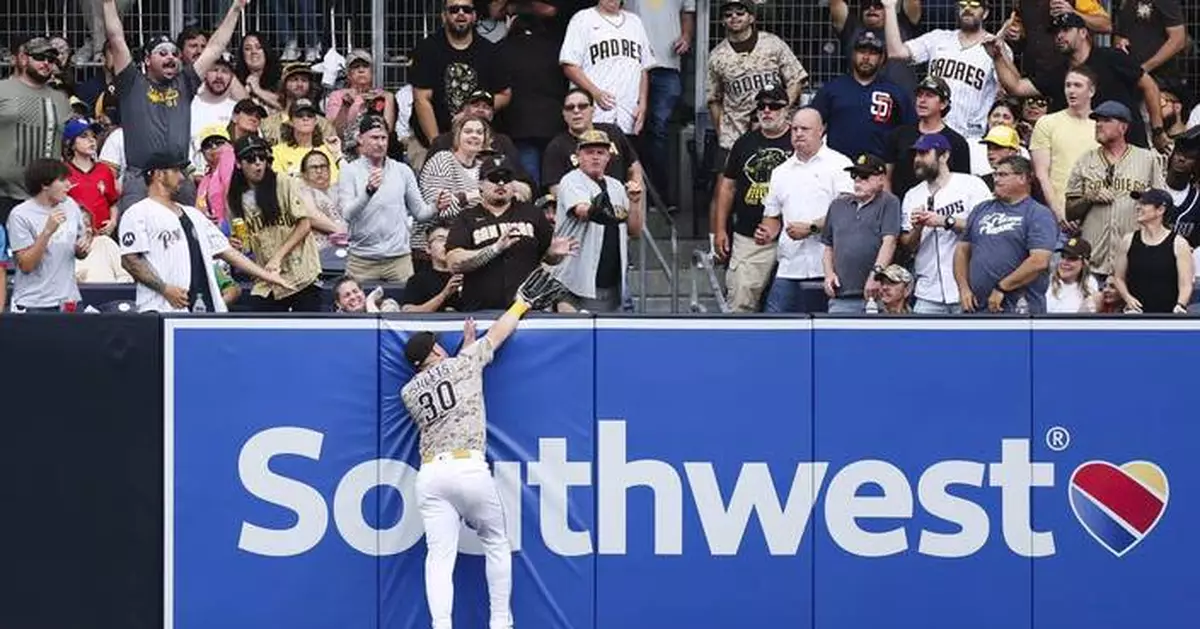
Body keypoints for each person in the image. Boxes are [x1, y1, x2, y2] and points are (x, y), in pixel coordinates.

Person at [399, 268, 568, 629]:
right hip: (468, 468)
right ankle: (499, 622)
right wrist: (521, 305)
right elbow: (499, 333)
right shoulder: (463, 363)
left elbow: (439, 380)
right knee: (495, 541)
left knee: (439, 558)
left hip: (431, 475)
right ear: (435, 350)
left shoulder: (408, 392)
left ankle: (441, 625)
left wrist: (461, 352)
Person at [103, 0, 248, 211]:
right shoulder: (131, 82)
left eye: (173, 53)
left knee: (189, 238)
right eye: (162, 54)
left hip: (179, 177)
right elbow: (116, 38)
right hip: (140, 178)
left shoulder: (184, 83)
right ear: (146, 60)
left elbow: (215, 47)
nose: (170, 58)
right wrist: (108, 3)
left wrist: (235, 9)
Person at [118, 152, 290, 313]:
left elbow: (226, 251)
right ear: (158, 174)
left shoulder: (192, 214)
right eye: (176, 171)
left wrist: (267, 276)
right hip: (160, 308)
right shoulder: (137, 213)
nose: (182, 177)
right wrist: (164, 289)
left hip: (204, 307)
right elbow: (130, 260)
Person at [984, 12, 1167, 152]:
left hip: (1129, 147)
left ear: (1083, 32)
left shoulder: (1112, 57)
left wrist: (1158, 131)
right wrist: (997, 56)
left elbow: (1149, 86)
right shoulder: (1058, 72)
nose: (1059, 36)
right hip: (1087, 155)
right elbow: (1017, 87)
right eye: (1056, 32)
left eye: (1066, 30)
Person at [446, 155, 575, 311]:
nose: (501, 183)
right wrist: (494, 249)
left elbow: (548, 258)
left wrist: (555, 253)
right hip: (480, 311)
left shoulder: (532, 213)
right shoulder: (466, 217)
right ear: (480, 184)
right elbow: (454, 262)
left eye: (506, 178)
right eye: (494, 178)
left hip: (526, 310)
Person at [759, 108, 855, 313]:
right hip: (789, 267)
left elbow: (847, 212)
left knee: (826, 332)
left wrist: (812, 228)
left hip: (828, 268)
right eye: (794, 129)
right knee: (775, 328)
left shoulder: (840, 165)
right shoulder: (779, 172)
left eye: (805, 129)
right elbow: (772, 218)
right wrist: (766, 233)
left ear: (821, 130)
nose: (798, 134)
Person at [711, 85, 793, 312]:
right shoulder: (744, 142)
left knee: (788, 307)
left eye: (774, 106)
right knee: (739, 301)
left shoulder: (798, 142)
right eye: (762, 106)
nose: (767, 111)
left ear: (787, 109)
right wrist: (720, 229)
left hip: (794, 237)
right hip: (749, 236)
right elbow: (727, 188)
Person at [1065, 101, 1166, 279]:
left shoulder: (1147, 159)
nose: (1098, 125)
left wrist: (1147, 199)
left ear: (1123, 127)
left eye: (1106, 120)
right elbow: (1070, 213)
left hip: (1133, 261)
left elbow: (1163, 204)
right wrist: (1089, 197)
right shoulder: (1085, 161)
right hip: (1093, 262)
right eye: (1097, 121)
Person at [882, 0, 1009, 140]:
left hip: (970, 138)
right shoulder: (938, 38)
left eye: (974, 4)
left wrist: (1000, 53)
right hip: (930, 133)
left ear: (985, 13)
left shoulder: (996, 47)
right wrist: (889, 7)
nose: (967, 8)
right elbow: (896, 52)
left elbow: (1006, 91)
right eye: (962, 4)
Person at [338, 115, 442, 282]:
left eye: (383, 138)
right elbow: (347, 214)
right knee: (357, 306)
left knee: (403, 306)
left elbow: (420, 214)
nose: (380, 143)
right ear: (360, 139)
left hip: (399, 259)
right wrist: (368, 192)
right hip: (362, 260)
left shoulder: (403, 171)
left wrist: (436, 206)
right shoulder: (349, 171)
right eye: (374, 138)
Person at [227, 135, 323, 311]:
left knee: (307, 334)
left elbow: (305, 224)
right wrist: (235, 244)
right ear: (239, 164)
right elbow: (245, 246)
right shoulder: (234, 198)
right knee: (261, 332)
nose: (258, 163)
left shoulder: (283, 182)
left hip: (300, 273)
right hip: (268, 279)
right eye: (250, 158)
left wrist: (278, 256)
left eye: (262, 157)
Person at [705, 0, 807, 165]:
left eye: (740, 12)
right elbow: (713, 99)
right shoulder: (717, 56)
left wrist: (779, 111)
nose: (734, 17)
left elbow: (796, 79)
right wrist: (722, 132)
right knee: (725, 186)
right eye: (728, 14)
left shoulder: (772, 43)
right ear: (722, 21)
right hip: (735, 134)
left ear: (751, 17)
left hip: (776, 132)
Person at [900, 133, 993, 313]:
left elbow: (988, 230)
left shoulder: (972, 185)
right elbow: (908, 246)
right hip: (928, 292)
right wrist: (918, 227)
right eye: (916, 154)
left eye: (924, 153)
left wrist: (946, 221)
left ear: (944, 156)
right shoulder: (912, 195)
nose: (918, 159)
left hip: (967, 289)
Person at [552, 129, 641, 311]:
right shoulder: (570, 180)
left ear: (609, 156)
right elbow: (582, 211)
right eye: (589, 152)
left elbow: (635, 230)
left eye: (600, 152)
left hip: (609, 284)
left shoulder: (616, 186)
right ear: (578, 156)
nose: (595, 157)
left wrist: (635, 202)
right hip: (573, 282)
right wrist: (598, 208)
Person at [954, 155, 1058, 313]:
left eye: (1003, 175)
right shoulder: (981, 209)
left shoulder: (1038, 213)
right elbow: (962, 250)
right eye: (995, 174)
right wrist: (963, 288)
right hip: (977, 307)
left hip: (1019, 309)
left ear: (1022, 178)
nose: (996, 179)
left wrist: (1002, 288)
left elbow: (1039, 261)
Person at [0, 37, 72, 225]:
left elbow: (68, 144)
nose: (46, 63)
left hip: (46, 197)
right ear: (24, 58)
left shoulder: (60, 98)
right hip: (4, 195)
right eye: (40, 57)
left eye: (51, 59)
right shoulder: (3, 89)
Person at [811, 31, 916, 162]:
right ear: (853, 55)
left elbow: (910, 131)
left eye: (873, 53)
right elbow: (811, 123)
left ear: (882, 58)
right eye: (862, 51)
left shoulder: (896, 92)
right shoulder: (832, 89)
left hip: (878, 170)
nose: (866, 57)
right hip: (837, 168)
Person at [6, 158, 92, 312]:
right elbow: (26, 265)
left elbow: (80, 244)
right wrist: (47, 232)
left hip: (69, 301)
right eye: (62, 180)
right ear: (45, 184)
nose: (68, 185)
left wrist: (82, 249)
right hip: (34, 304)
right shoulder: (19, 215)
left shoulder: (70, 205)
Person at [559, 0, 656, 136]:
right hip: (595, 114)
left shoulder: (635, 22)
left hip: (628, 114)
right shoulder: (582, 19)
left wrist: (643, 104)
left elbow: (643, 68)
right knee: (594, 154)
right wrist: (595, 93)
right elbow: (570, 65)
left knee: (626, 155)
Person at [820, 153, 902, 313]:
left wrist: (875, 276)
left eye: (864, 176)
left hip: (876, 294)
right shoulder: (837, 205)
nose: (858, 180)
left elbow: (889, 242)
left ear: (880, 178)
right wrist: (828, 274)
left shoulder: (889, 202)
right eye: (854, 175)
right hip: (841, 294)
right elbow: (828, 246)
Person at [1030, 67, 1099, 225]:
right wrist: (1059, 211)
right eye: (1068, 85)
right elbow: (1041, 174)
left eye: (1077, 85)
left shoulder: (1101, 125)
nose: (1071, 91)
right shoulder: (1047, 122)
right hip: (1056, 213)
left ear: (1091, 91)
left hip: (1095, 214)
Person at [1113, 188, 1192, 313]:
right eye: (1138, 203)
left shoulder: (1179, 243)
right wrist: (1128, 298)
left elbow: (1186, 284)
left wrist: (1180, 305)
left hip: (1167, 316)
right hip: (1135, 315)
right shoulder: (1128, 240)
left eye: (1144, 204)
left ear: (1160, 210)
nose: (1138, 207)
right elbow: (1118, 277)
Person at [830, 0, 922, 96]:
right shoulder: (852, 29)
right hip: (863, 100)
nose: (871, 9)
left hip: (902, 100)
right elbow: (835, 3)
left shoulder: (903, 26)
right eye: (866, 5)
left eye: (879, 5)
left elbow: (913, 2)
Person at [63, 117, 120, 237]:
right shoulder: (63, 172)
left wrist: (113, 221)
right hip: (75, 238)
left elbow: (113, 203)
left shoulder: (104, 170)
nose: (91, 140)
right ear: (71, 144)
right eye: (84, 136)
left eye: (93, 136)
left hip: (102, 236)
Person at [401, 224, 463, 312]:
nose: (446, 244)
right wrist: (444, 294)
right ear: (428, 248)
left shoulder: (467, 277)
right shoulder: (417, 280)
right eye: (441, 239)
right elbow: (408, 311)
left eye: (451, 239)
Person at [1045, 236, 1098, 313]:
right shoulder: (1047, 281)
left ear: (1084, 263)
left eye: (1072, 258)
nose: (1065, 262)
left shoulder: (1090, 284)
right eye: (1063, 256)